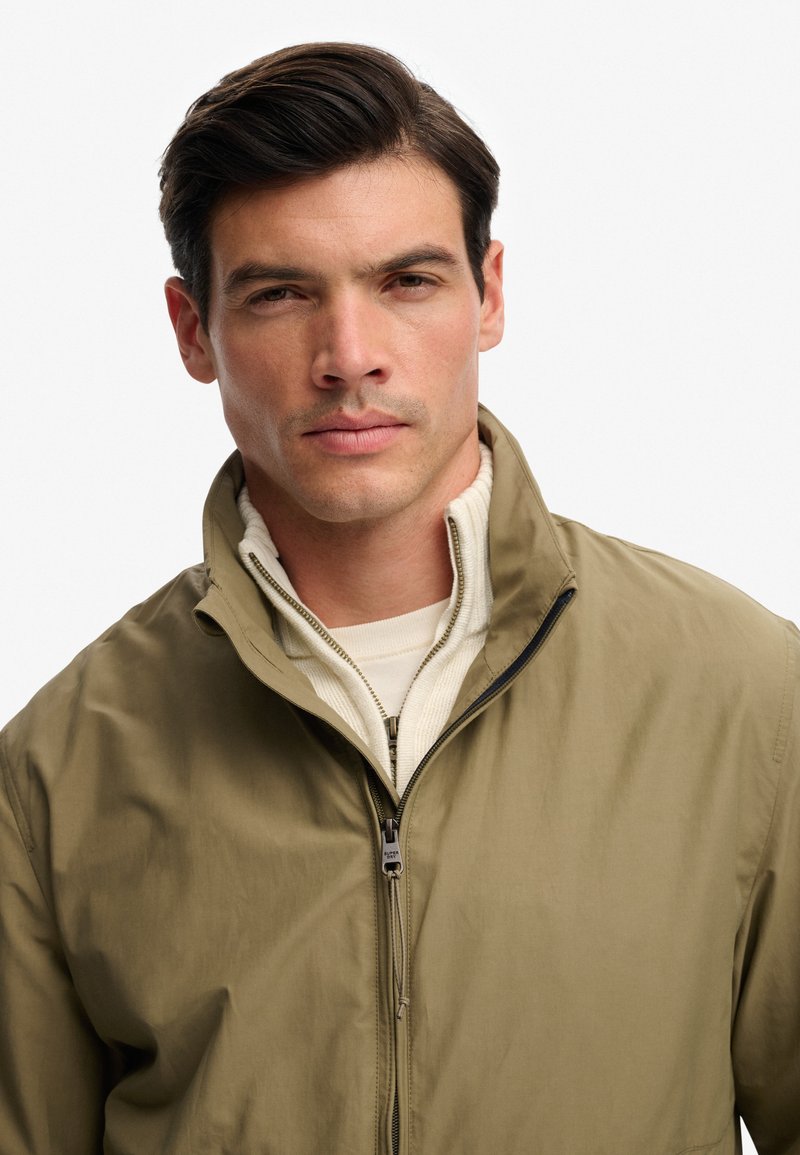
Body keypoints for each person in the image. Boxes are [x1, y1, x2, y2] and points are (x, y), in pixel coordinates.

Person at [0, 41, 797, 1155]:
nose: (349, 355)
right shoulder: (56, 768)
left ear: (489, 294)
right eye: (280, 294)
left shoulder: (746, 693)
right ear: (193, 330)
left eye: (406, 282)